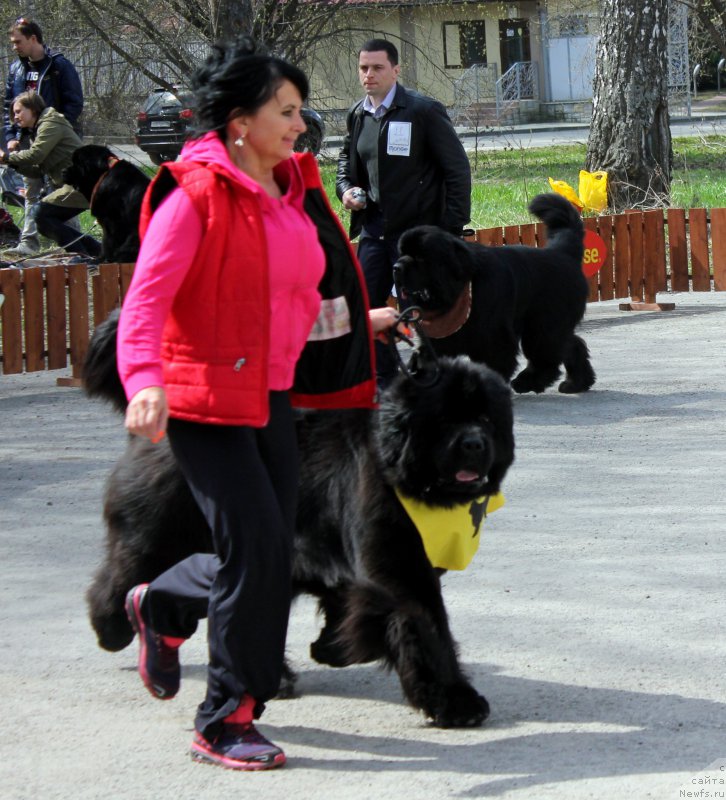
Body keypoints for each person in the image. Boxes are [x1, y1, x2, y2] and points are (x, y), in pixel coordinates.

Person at [117, 35, 400, 771]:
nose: (301, 125)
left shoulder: (285, 192)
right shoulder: (196, 194)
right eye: (288, 111)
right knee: (258, 551)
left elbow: (294, 297)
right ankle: (224, 719)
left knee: (275, 549)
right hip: (201, 401)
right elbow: (147, 302)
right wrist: (144, 379)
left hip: (273, 394)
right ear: (239, 121)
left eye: (300, 111)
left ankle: (166, 604)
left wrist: (353, 322)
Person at [336, 38, 472, 385]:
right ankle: (384, 378)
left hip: (417, 234)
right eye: (364, 68)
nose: (369, 75)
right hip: (374, 228)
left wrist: (449, 228)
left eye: (378, 67)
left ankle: (436, 375)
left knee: (422, 309)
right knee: (366, 303)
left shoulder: (422, 111)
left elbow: (457, 171)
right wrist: (346, 191)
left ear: (396, 70)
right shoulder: (358, 114)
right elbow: (344, 167)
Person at [2, 17, 83, 257]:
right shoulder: (17, 69)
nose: (14, 46)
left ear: (33, 39)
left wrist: (55, 131)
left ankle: (72, 243)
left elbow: (74, 102)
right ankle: (29, 242)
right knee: (31, 189)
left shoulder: (59, 66)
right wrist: (11, 136)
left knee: (61, 188)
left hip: (53, 137)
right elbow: (9, 105)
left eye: (18, 41)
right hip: (26, 137)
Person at [0, 91, 100, 258]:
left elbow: (36, 155)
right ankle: (94, 251)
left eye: (18, 111)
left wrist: (7, 158)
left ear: (32, 109)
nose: (15, 117)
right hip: (76, 184)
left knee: (42, 214)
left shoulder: (50, 124)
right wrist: (13, 163)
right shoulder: (39, 129)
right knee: (46, 218)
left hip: (84, 182)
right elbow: (38, 170)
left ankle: (82, 253)